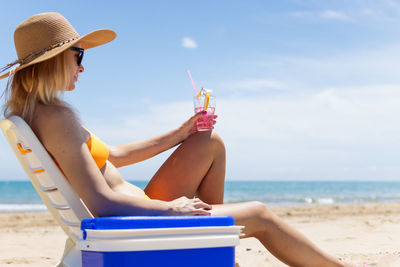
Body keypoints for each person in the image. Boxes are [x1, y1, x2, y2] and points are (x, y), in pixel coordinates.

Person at [0, 12, 350, 267]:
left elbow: (115, 156)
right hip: (127, 219)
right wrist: (173, 208)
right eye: (78, 56)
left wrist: (182, 133)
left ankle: (213, 245)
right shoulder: (57, 118)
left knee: (208, 142)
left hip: (133, 208)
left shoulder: (40, 113)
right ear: (53, 60)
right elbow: (102, 202)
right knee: (260, 215)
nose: (82, 66)